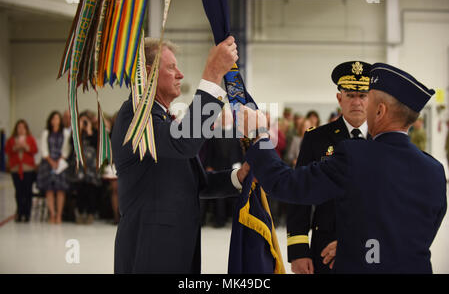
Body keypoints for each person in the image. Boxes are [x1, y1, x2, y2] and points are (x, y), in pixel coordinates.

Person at [238, 63, 447, 273]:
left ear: (380, 110)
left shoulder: (355, 155)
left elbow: (285, 184)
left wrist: (259, 135)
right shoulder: (435, 170)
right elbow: (414, 236)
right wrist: (355, 246)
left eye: (368, 99)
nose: (360, 104)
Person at [112, 36, 249, 273]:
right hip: (150, 250)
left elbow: (195, 184)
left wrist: (239, 177)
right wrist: (213, 74)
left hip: (174, 248)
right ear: (148, 73)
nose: (180, 75)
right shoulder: (135, 115)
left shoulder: (163, 119)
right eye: (171, 67)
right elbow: (186, 142)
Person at [287, 61, 371, 274]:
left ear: (372, 99)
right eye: (350, 95)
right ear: (339, 98)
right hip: (325, 245)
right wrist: (298, 250)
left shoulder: (383, 139)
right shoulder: (316, 138)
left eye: (363, 95)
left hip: (372, 245)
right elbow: (299, 194)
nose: (357, 102)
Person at [37, 111, 71, 224]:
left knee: (61, 189)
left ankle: (59, 215)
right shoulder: (46, 132)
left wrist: (60, 160)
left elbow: (66, 149)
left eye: (57, 118)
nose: (55, 121)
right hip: (48, 163)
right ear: (50, 121)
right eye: (53, 119)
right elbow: (44, 148)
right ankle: (52, 213)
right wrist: (51, 161)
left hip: (60, 163)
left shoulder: (65, 133)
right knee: (49, 189)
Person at [5, 120, 38, 222]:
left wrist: (25, 147)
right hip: (15, 168)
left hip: (28, 168)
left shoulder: (30, 139)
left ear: (26, 129)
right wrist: (15, 147)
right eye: (19, 127)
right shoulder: (11, 140)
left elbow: (34, 150)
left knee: (27, 191)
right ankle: (19, 212)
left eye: (23, 127)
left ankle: (27, 213)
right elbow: (7, 150)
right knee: (18, 191)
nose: (21, 129)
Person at [72, 111, 101, 224]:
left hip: (92, 167)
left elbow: (97, 145)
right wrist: (78, 129)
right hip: (80, 166)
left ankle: (90, 213)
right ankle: (80, 212)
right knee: (80, 189)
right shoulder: (77, 133)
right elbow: (73, 145)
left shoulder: (94, 132)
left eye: (85, 121)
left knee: (91, 189)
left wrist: (89, 130)